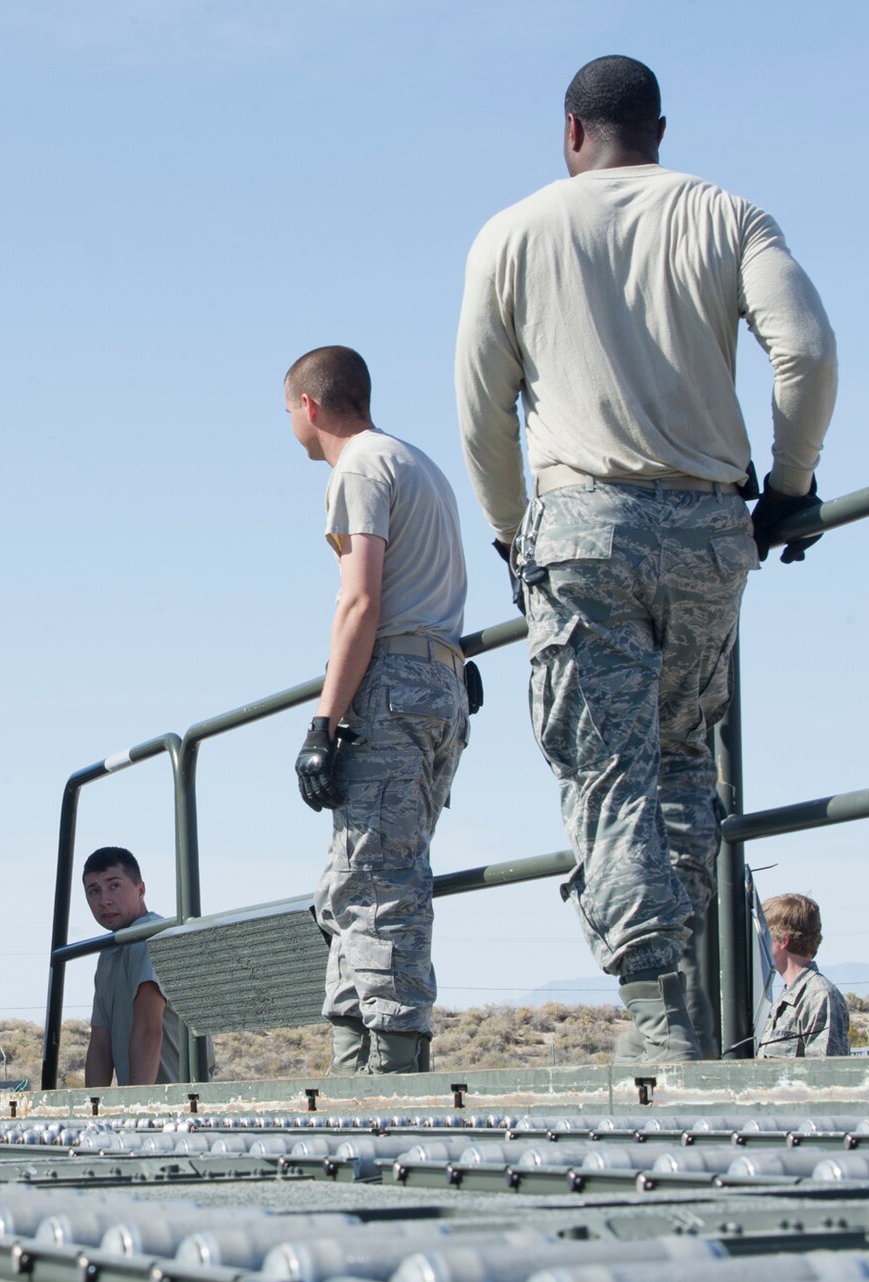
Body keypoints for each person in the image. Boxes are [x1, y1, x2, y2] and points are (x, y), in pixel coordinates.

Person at [454, 56, 837, 1061]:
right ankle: (692, 996)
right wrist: (790, 486)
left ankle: (660, 1014)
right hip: (710, 531)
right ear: (657, 129)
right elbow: (803, 351)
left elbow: (477, 411)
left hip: (580, 531)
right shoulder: (728, 214)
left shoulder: (510, 233)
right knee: (678, 761)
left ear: (568, 131)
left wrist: (510, 532)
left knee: (603, 772)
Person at [285, 346, 469, 1076]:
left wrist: (323, 724)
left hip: (391, 685)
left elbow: (361, 600)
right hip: (435, 682)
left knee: (380, 878)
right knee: (354, 877)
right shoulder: (417, 463)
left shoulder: (359, 467)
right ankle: (355, 1053)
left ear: (308, 407)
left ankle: (388, 1064)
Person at [81, 846, 207, 1086]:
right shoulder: (109, 952)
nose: (104, 900)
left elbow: (149, 1029)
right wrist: (92, 1113)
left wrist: (140, 1108)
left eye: (114, 885)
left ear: (140, 889)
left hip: (174, 1104)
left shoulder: (150, 937)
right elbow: (100, 1044)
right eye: (93, 891)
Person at [758, 893, 850, 1058]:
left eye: (764, 936)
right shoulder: (787, 998)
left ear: (784, 940)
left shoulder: (819, 997)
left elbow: (826, 1076)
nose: (758, 942)